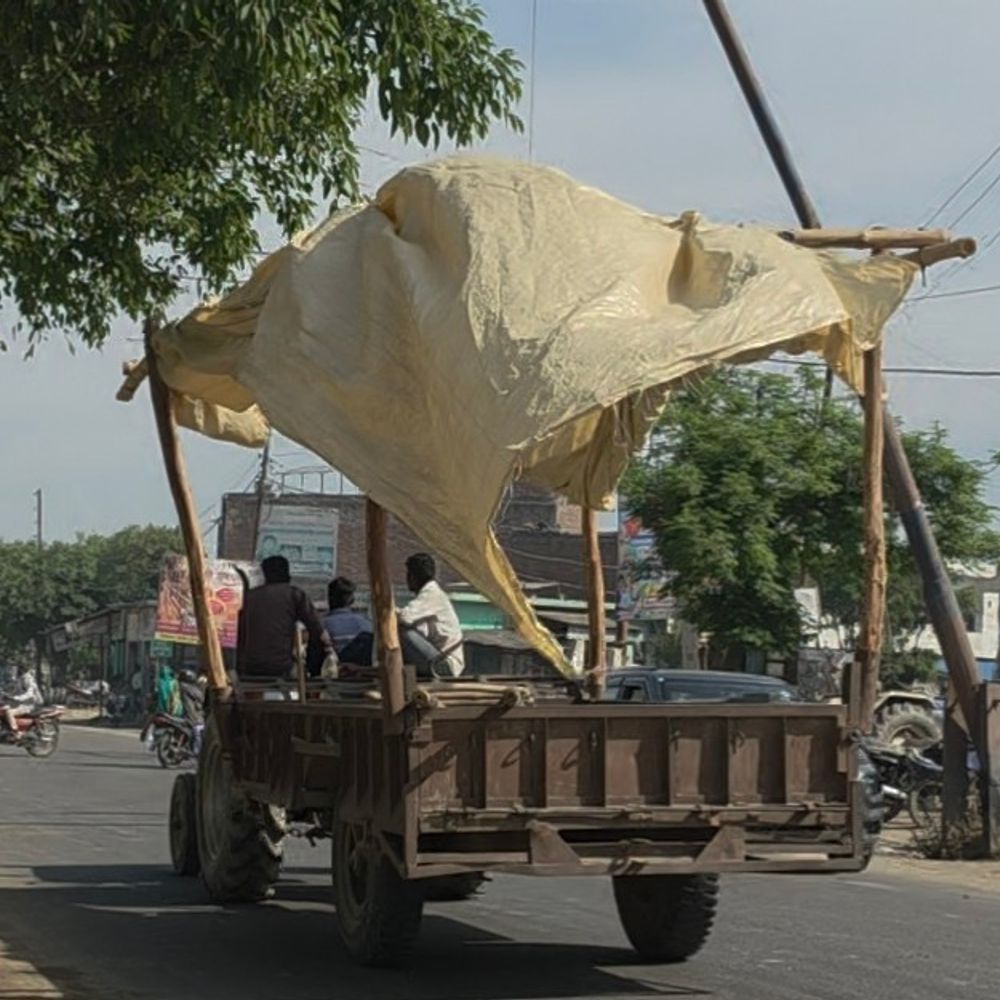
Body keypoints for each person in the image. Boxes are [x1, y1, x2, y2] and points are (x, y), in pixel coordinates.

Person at [237, 555, 332, 678]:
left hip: (250, 666)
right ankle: (313, 679)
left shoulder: (249, 597)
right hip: (282, 667)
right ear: (287, 573)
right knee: (317, 640)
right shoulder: (294, 594)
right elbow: (316, 628)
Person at [398, 553, 465, 677]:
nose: (407, 579)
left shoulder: (432, 594)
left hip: (444, 664)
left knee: (401, 631)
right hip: (438, 659)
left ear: (414, 576)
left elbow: (404, 618)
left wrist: (386, 609)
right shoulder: (428, 597)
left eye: (408, 575)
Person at [323, 577, 374, 666]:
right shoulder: (366, 624)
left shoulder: (321, 626)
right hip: (364, 676)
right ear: (352, 600)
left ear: (329, 598)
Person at [2, 666, 42, 741]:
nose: (14, 670)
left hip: (29, 705)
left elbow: (30, 694)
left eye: (17, 668)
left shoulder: (28, 679)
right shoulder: (19, 679)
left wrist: (16, 698)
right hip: (20, 703)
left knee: (9, 712)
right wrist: (5, 693)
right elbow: (11, 688)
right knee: (4, 708)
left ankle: (16, 732)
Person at [178, 669, 206, 755]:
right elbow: (201, 697)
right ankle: (196, 751)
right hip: (192, 715)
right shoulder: (187, 687)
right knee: (198, 729)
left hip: (186, 713)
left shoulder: (182, 686)